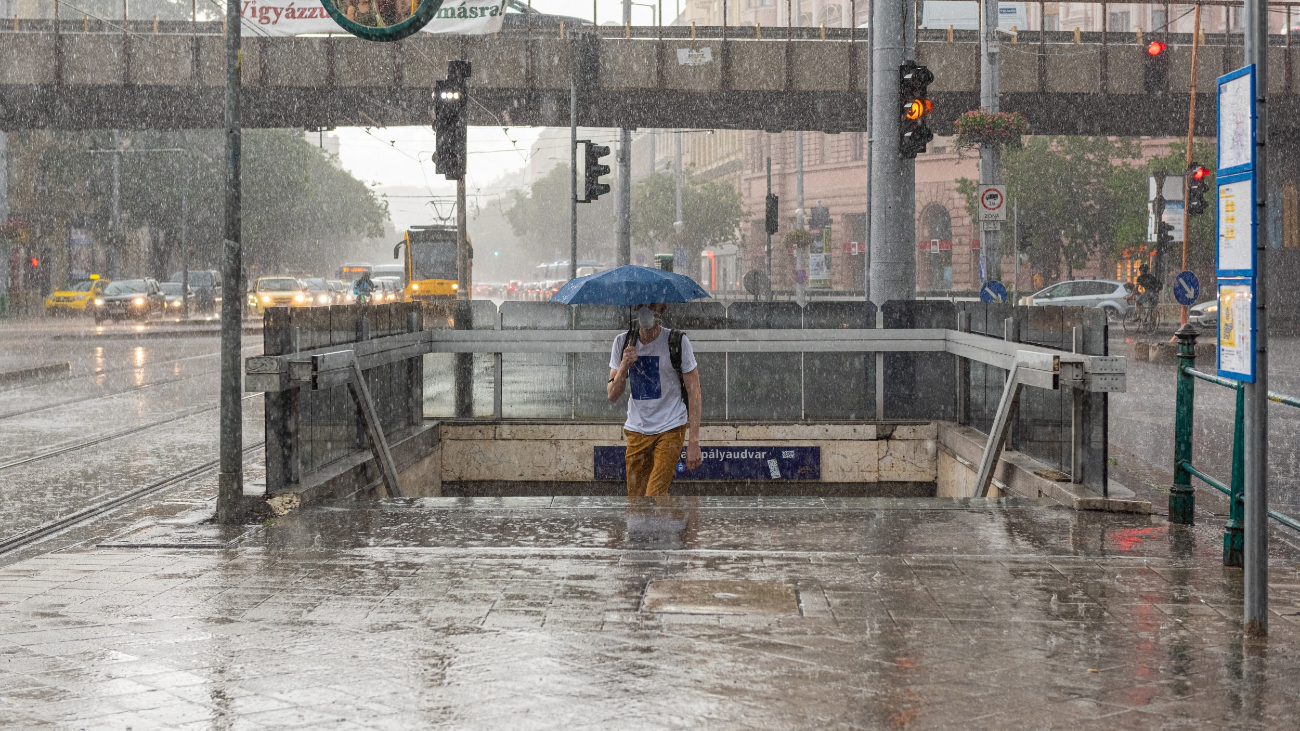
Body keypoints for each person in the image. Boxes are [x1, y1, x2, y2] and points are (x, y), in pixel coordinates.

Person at [607, 303, 703, 498]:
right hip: (637, 430)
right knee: (636, 500)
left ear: (662, 309)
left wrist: (693, 441)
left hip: (670, 426)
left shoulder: (677, 341)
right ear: (633, 309)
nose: (646, 311)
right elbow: (612, 394)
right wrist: (624, 365)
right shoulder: (623, 342)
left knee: (654, 494)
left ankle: (668, 525)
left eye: (651, 305)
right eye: (641, 305)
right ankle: (674, 523)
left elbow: (694, 392)